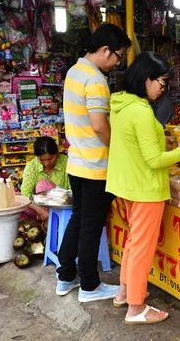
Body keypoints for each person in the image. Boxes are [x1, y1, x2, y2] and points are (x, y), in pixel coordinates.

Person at [106, 52, 180, 324]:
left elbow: (135, 145)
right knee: (142, 248)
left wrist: (160, 139)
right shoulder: (142, 112)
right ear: (146, 78)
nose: (163, 88)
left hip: (127, 184)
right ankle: (136, 308)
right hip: (145, 188)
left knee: (133, 242)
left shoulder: (120, 104)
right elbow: (155, 159)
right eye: (161, 82)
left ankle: (124, 292)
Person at [57, 24, 132, 302]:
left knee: (79, 219)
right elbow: (100, 126)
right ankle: (89, 285)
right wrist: (121, 149)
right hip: (95, 166)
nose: (117, 63)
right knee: (91, 224)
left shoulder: (74, 72)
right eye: (117, 56)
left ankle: (66, 276)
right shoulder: (96, 79)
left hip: (77, 162)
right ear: (104, 51)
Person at [20, 137, 70, 221]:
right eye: (42, 160)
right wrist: (41, 212)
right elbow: (25, 195)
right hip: (39, 209)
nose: (46, 163)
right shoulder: (32, 166)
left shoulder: (67, 163)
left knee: (42, 185)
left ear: (57, 153)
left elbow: (72, 192)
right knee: (12, 198)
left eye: (50, 159)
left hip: (62, 207)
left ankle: (52, 221)